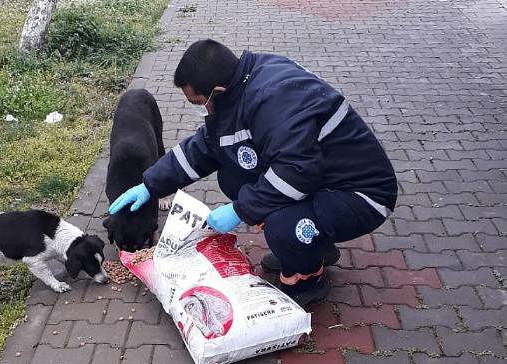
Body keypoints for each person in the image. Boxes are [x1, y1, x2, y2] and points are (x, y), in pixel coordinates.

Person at [108, 39, 397, 306]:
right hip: (320, 176)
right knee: (234, 175)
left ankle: (308, 277)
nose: (200, 110)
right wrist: (150, 184)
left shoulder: (275, 99)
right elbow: (206, 147)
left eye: (198, 103)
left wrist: (240, 210)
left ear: (217, 91)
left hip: (360, 194)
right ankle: (313, 246)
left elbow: (296, 172)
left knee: (282, 227)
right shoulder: (240, 87)